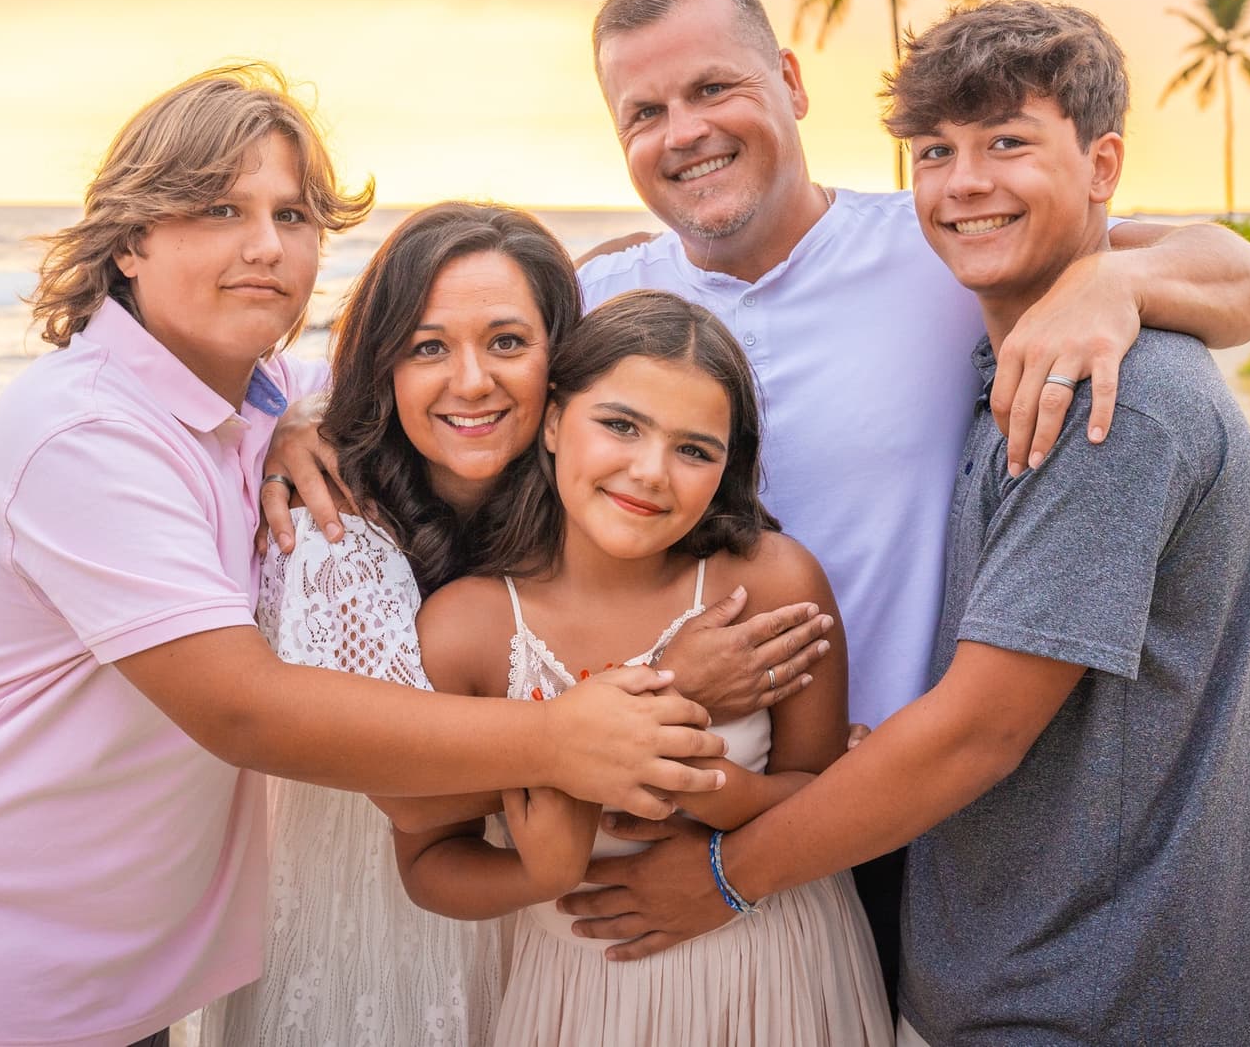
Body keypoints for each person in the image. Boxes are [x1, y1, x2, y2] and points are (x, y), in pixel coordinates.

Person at [0, 67, 729, 1047]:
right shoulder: (81, 430)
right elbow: (242, 706)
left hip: (122, 976)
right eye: (217, 207)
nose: (264, 246)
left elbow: (424, 380)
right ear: (128, 239)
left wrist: (297, 423)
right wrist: (559, 737)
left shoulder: (262, 393)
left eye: (291, 214)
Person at [550, 0, 1250, 989]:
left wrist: (1110, 276)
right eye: (644, 110)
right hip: (671, 799)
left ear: (791, 84)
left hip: (904, 814)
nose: (682, 131)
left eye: (713, 88)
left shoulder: (940, 245)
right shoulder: (595, 303)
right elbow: (441, 412)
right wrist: (298, 437)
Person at [198, 202, 833, 1046]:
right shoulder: (338, 526)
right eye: (427, 347)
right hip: (392, 919)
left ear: (559, 373)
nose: (471, 381)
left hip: (566, 948)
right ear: (383, 364)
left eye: (507, 343)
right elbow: (406, 797)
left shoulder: (578, 510)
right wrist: (670, 688)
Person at [399, 291, 891, 1047]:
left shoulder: (770, 586)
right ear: (556, 420)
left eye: (695, 450)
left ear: (729, 466)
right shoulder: (468, 627)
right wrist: (544, 875)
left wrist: (721, 789)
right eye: (621, 426)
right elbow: (430, 860)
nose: (651, 471)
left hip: (777, 969)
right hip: (581, 992)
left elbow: (822, 793)